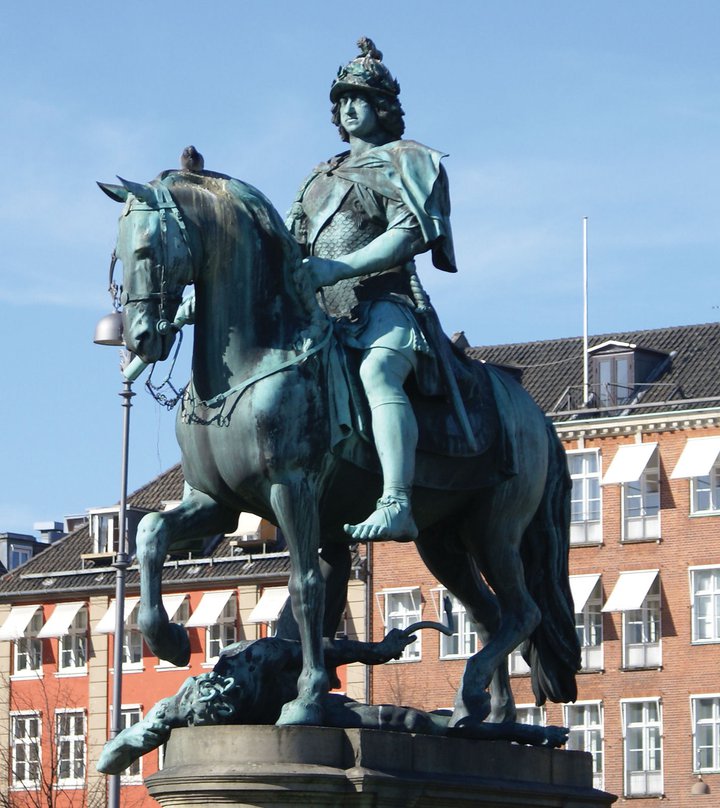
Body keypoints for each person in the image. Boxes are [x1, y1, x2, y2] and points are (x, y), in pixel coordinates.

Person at [286, 38, 457, 543]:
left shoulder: (407, 162)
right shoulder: (318, 177)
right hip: (321, 316)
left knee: (379, 372)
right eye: (341, 100)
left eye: (359, 98)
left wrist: (337, 268)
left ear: (382, 108)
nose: (348, 108)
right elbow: (288, 247)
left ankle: (397, 501)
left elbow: (406, 236)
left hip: (385, 303)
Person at [97, 630, 567, 775]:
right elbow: (109, 760)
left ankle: (517, 732)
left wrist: (378, 651)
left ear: (221, 683)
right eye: (215, 717)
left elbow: (324, 649)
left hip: (310, 703)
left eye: (228, 704)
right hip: (296, 720)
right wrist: (138, 738)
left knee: (402, 719)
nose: (225, 711)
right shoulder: (180, 707)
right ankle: (518, 732)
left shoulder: (258, 658)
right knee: (404, 720)